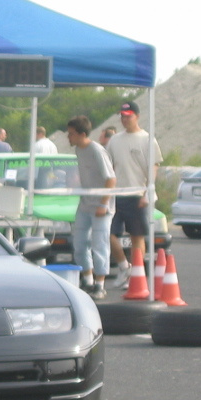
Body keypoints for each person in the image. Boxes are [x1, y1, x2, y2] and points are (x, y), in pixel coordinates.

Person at [106, 101, 163, 288]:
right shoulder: (114, 140)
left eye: (128, 115)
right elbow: (109, 166)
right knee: (109, 233)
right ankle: (125, 267)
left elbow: (153, 167)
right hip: (117, 194)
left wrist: (149, 191)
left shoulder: (148, 139)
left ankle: (137, 275)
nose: (125, 119)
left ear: (137, 116)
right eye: (122, 116)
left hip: (138, 193)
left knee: (136, 236)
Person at [66, 116, 116, 299]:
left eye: (71, 134)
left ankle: (100, 284)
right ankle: (87, 279)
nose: (68, 137)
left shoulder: (97, 150)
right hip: (85, 203)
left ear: (82, 134)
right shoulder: (79, 150)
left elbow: (111, 179)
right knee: (79, 242)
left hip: (101, 206)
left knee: (100, 244)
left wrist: (103, 204)